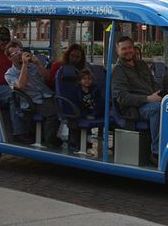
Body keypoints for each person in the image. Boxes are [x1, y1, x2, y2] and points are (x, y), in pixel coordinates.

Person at [111, 36, 161, 164]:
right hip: (134, 108)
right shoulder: (118, 70)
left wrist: (163, 94)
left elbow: (154, 83)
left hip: (152, 100)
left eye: (130, 47)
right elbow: (123, 98)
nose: (128, 51)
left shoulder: (142, 64)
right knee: (158, 109)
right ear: (118, 51)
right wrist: (148, 98)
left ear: (134, 48)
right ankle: (156, 152)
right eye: (124, 49)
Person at [4, 41, 61, 146]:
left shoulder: (33, 66)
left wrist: (38, 63)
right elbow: (21, 85)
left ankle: (70, 140)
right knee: (53, 114)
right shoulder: (9, 74)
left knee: (68, 108)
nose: (20, 54)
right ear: (10, 58)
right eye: (16, 53)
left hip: (47, 95)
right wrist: (25, 64)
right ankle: (49, 141)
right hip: (32, 101)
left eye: (20, 51)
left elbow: (47, 77)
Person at [68, 69, 104, 153]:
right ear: (80, 80)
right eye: (84, 79)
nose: (87, 81)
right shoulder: (76, 92)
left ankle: (87, 143)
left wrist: (95, 114)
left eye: (89, 79)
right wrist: (85, 115)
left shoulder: (95, 90)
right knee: (76, 124)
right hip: (81, 114)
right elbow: (76, 106)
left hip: (94, 113)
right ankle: (78, 145)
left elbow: (99, 104)